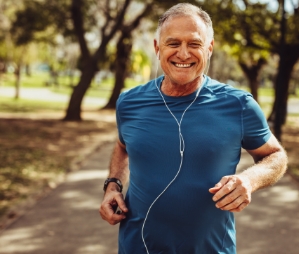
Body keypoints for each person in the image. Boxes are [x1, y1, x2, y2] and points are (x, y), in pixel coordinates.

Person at [99, 3, 288, 254]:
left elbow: (276, 155)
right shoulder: (129, 102)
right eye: (173, 43)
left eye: (195, 44)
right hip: (136, 246)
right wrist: (113, 186)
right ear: (158, 48)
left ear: (209, 48)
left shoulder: (239, 105)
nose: (184, 54)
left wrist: (248, 180)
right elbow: (123, 146)